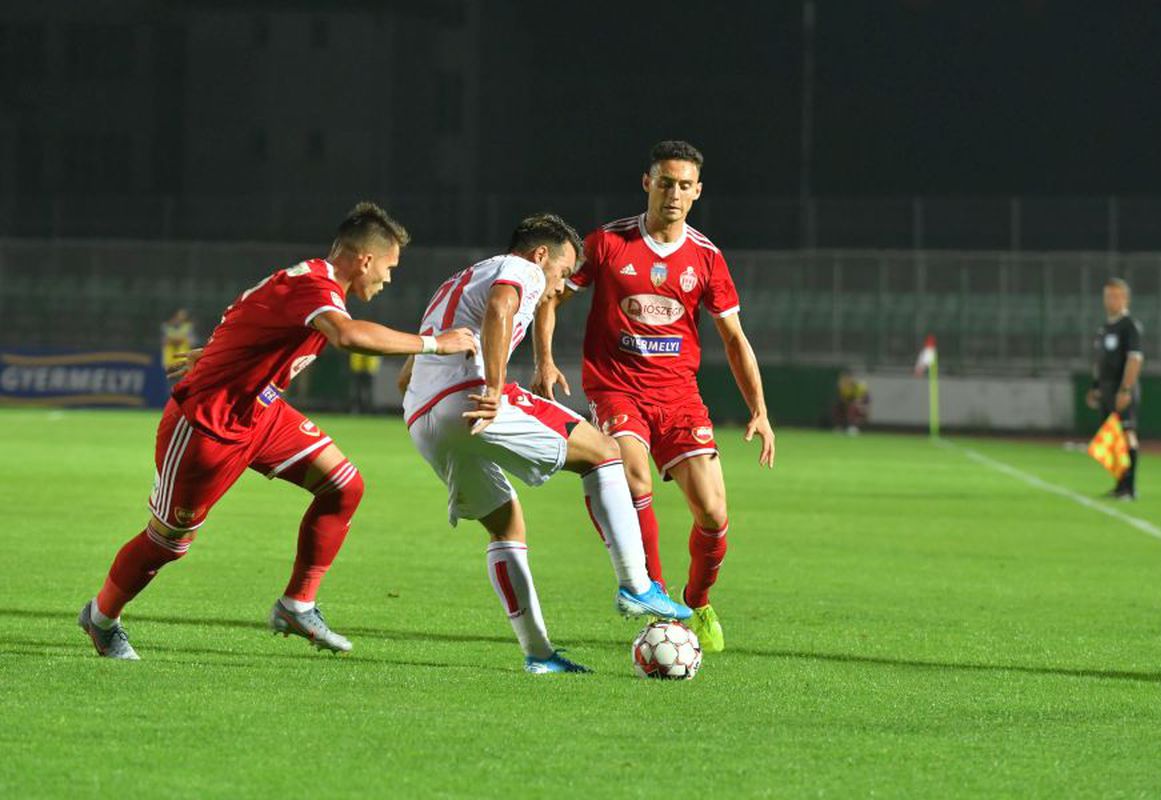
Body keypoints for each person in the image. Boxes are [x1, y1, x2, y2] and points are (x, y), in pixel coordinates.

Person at [78, 202, 476, 659]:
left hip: (262, 416)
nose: (389, 279)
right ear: (365, 259)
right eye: (389, 267)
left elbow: (255, 318)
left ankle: (297, 604)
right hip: (206, 427)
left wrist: (218, 352)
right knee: (168, 542)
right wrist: (436, 345)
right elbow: (348, 337)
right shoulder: (315, 288)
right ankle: (102, 617)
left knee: (344, 486)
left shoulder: (309, 285)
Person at [398, 212, 691, 675]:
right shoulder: (522, 269)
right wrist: (494, 387)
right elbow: (500, 307)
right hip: (472, 397)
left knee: (505, 525)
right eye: (562, 271)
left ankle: (538, 654)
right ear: (540, 255)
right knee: (605, 453)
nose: (559, 285)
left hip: (422, 420)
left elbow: (406, 375)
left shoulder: (457, 282)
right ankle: (636, 585)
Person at [531, 141, 775, 653]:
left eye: (685, 185)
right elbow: (550, 298)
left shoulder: (706, 257)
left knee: (712, 514)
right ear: (647, 183)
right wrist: (545, 360)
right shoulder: (607, 243)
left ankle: (698, 600)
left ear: (698, 192)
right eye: (665, 182)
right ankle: (652, 592)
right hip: (616, 386)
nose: (674, 193)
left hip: (680, 395)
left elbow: (734, 338)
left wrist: (760, 409)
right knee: (632, 470)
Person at [1086, 277, 1144, 500]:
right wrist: (1096, 387)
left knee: (1128, 433)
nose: (1111, 300)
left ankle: (1130, 487)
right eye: (1107, 296)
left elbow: (1135, 359)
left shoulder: (1129, 326)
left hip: (1122, 390)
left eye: (1115, 295)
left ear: (1125, 298)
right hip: (1107, 390)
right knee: (1112, 438)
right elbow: (1100, 362)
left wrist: (1126, 389)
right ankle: (1120, 485)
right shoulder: (1104, 328)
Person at [161, 308, 196, 380]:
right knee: (170, 383)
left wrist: (173, 340)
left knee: (182, 382)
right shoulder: (165, 327)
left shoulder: (188, 327)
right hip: (169, 360)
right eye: (180, 315)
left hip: (183, 360)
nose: (181, 318)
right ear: (174, 316)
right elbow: (163, 341)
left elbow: (193, 342)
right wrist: (179, 340)